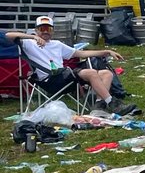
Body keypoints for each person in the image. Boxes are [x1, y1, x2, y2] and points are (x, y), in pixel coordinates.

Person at [6, 16, 136, 115]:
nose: (45, 32)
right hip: (49, 80)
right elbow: (8, 36)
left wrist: (106, 51)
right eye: (42, 29)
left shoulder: (57, 44)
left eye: (48, 29)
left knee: (106, 73)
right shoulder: (28, 43)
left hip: (64, 77)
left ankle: (98, 106)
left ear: (52, 31)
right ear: (36, 30)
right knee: (90, 72)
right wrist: (32, 37)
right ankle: (113, 104)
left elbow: (80, 53)